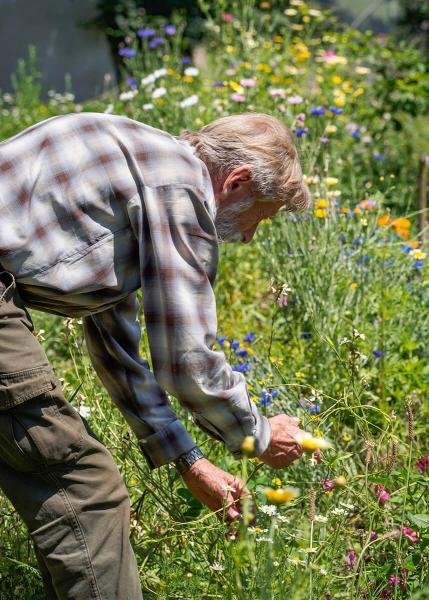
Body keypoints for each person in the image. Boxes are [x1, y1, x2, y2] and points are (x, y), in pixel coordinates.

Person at [0, 111, 311, 599]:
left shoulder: (141, 172)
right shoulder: (179, 188)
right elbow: (187, 360)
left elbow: (116, 343)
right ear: (238, 181)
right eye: (260, 217)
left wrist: (190, 462)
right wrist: (259, 434)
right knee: (87, 494)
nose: (249, 236)